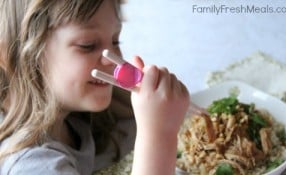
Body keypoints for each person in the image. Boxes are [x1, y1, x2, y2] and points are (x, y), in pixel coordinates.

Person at [0, 0, 190, 175]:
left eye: (115, 41)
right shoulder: (31, 165)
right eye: (87, 45)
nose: (112, 60)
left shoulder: (75, 111)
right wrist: (158, 134)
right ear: (12, 56)